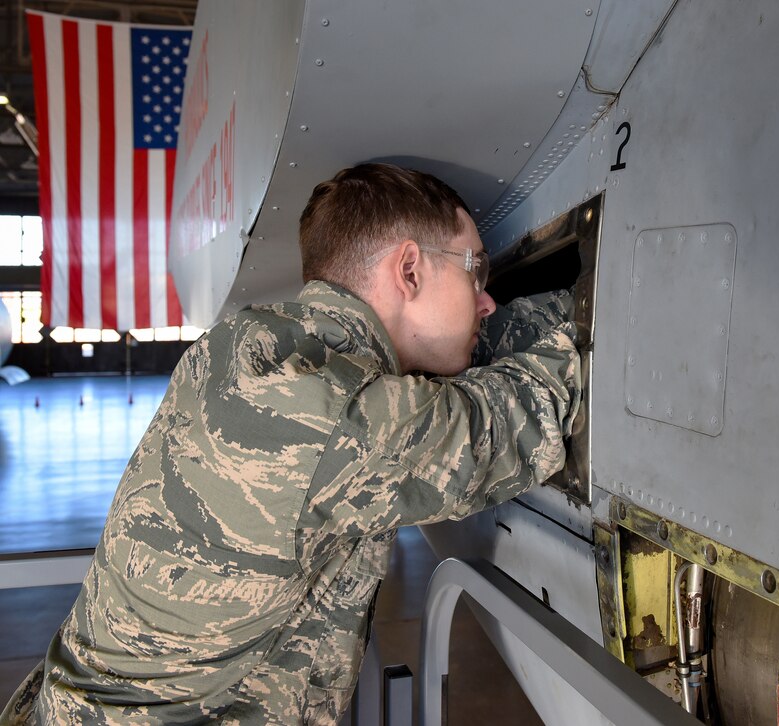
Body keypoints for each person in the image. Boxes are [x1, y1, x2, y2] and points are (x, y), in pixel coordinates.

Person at [1, 163, 581, 725]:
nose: (487, 300)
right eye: (475, 271)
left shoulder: (246, 345)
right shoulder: (330, 422)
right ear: (408, 270)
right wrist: (580, 305)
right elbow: (519, 417)